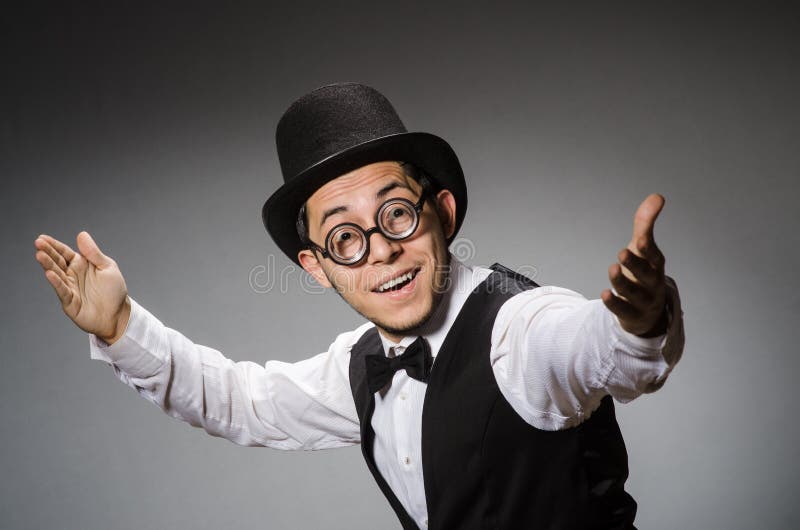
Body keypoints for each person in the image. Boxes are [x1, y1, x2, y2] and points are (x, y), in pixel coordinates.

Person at [34, 83, 684, 529]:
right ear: (316, 265)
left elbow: (601, 352)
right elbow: (240, 401)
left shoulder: (520, 324)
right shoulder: (361, 363)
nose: (381, 251)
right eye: (345, 236)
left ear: (443, 212)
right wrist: (121, 329)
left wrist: (637, 318)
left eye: (396, 213)